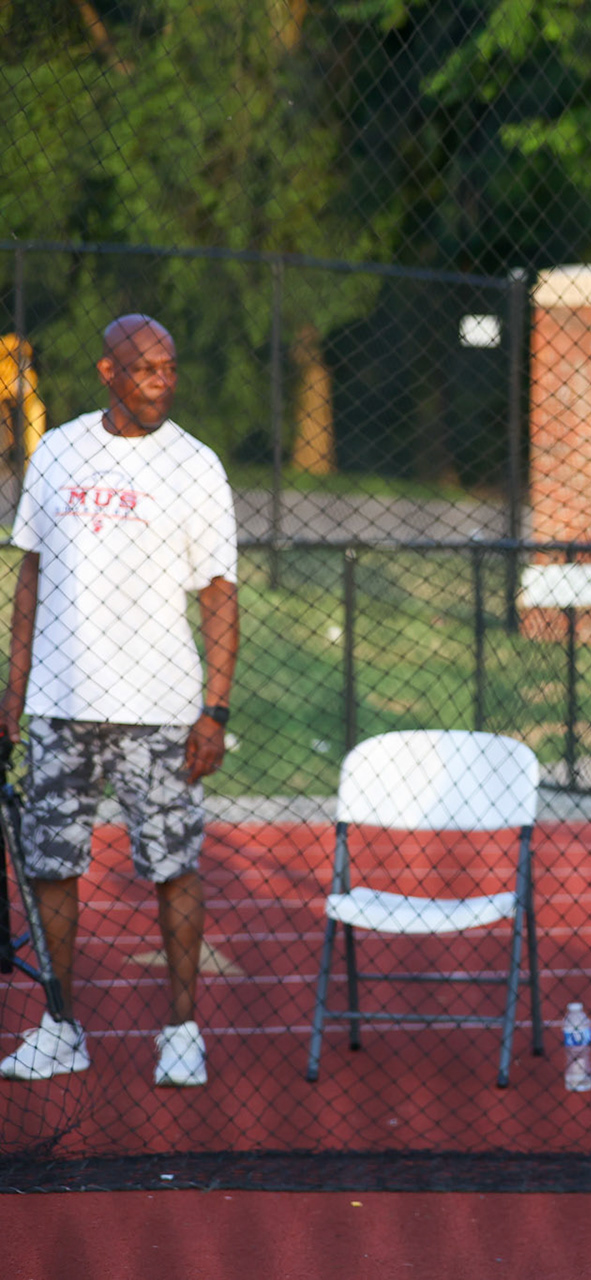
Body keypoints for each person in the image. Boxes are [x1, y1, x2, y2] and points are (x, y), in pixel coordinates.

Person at [0, 315, 238, 1087]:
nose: (161, 383)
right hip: (62, 704)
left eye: (169, 369)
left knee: (173, 866)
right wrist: (16, 692)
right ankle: (61, 1026)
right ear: (109, 373)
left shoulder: (196, 466)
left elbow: (220, 593)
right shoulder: (61, 452)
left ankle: (180, 1030)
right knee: (50, 864)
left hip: (162, 708)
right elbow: (29, 579)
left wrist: (216, 708)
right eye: (144, 370)